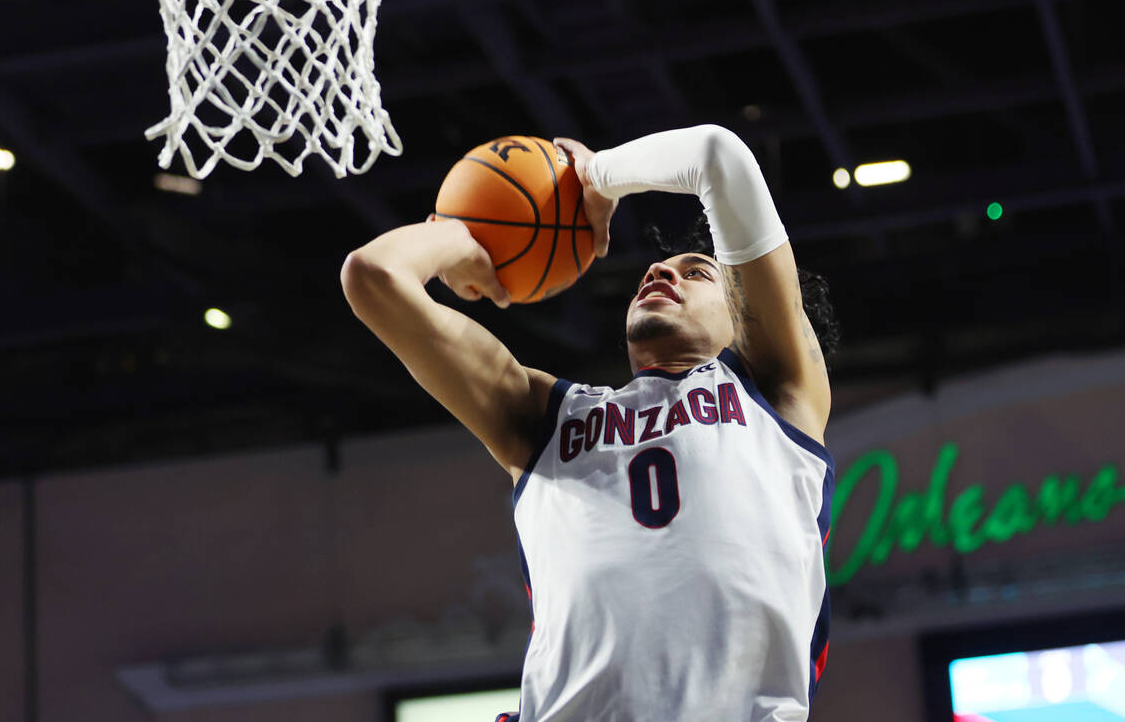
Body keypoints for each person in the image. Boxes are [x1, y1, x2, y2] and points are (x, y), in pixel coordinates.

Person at [341, 125, 836, 722]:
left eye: (697, 271)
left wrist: (598, 178)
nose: (660, 274)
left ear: (746, 313)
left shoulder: (777, 394)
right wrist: (460, 236)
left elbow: (717, 156)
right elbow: (372, 276)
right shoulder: (545, 417)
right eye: (651, 271)